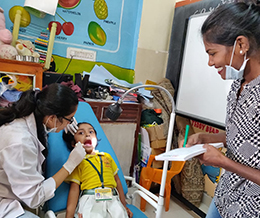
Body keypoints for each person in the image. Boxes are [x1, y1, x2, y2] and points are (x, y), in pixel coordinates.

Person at [179, 1, 260, 218]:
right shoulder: (237, 84)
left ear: (241, 45)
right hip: (225, 195)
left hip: (251, 208)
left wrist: (223, 162)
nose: (209, 62)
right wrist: (206, 137)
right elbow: (243, 137)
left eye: (212, 53)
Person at [0, 83, 86, 218]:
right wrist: (70, 165)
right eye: (69, 119)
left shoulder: (37, 115)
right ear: (52, 118)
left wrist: (64, 123)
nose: (71, 123)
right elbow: (35, 197)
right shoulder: (19, 142)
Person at [63, 122, 133, 218]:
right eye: (81, 133)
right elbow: (74, 190)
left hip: (112, 198)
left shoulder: (107, 157)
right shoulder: (77, 162)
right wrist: (69, 215)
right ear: (73, 143)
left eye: (91, 132)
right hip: (91, 199)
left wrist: (123, 205)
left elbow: (117, 181)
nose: (88, 134)